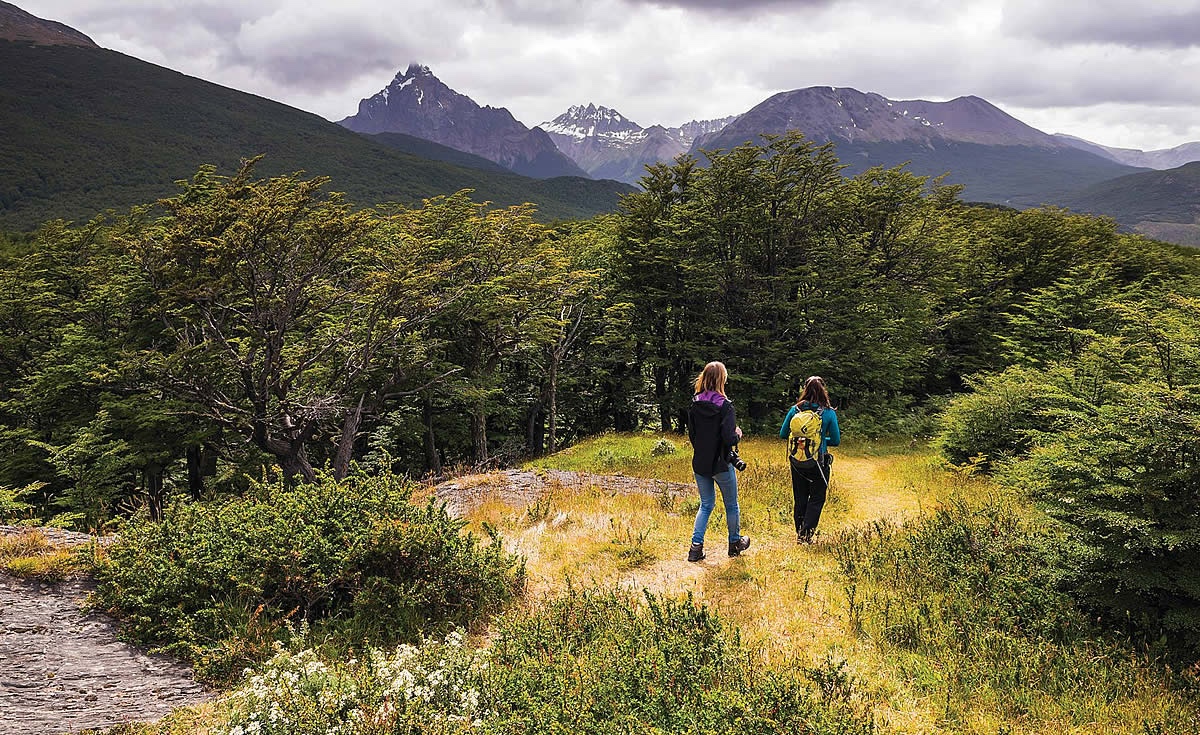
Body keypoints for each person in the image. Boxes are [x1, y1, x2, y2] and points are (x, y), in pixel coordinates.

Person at [687, 361, 751, 562]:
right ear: (722, 380)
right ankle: (734, 544)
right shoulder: (726, 406)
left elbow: (693, 436)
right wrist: (737, 435)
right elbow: (728, 438)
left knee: (706, 505)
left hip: (701, 463)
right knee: (731, 505)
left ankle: (695, 549)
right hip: (721, 463)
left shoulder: (695, 403)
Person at [779, 375, 841, 544]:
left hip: (797, 460)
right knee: (817, 497)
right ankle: (806, 535)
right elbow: (835, 440)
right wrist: (819, 440)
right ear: (824, 390)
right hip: (818, 462)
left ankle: (799, 530)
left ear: (804, 389)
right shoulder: (828, 412)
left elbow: (783, 434)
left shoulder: (795, 410)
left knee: (800, 496)